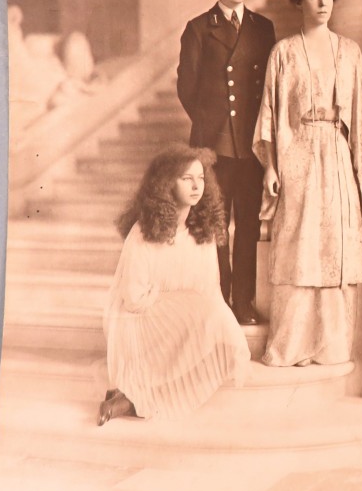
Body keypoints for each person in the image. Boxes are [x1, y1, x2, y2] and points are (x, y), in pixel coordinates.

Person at [252, 0, 362, 367]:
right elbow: (272, 112)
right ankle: (292, 344)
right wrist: (272, 166)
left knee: (334, 244)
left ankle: (331, 346)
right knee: (299, 243)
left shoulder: (349, 51)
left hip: (338, 152)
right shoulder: (284, 52)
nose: (323, 3)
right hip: (299, 151)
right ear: (299, 1)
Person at [98, 144, 251, 425]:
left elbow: (209, 290)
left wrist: (221, 327)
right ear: (167, 184)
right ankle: (132, 396)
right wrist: (175, 302)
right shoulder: (145, 231)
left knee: (217, 319)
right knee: (200, 311)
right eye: (186, 178)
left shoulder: (202, 229)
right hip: (137, 317)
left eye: (201, 178)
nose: (196, 186)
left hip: (178, 313)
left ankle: (132, 397)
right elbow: (132, 298)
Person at [177, 0, 276, 325]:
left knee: (248, 225)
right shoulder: (199, 28)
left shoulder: (262, 28)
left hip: (250, 146)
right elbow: (187, 88)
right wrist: (212, 130)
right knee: (216, 224)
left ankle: (244, 303)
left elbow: (268, 86)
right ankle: (219, 298)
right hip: (213, 146)